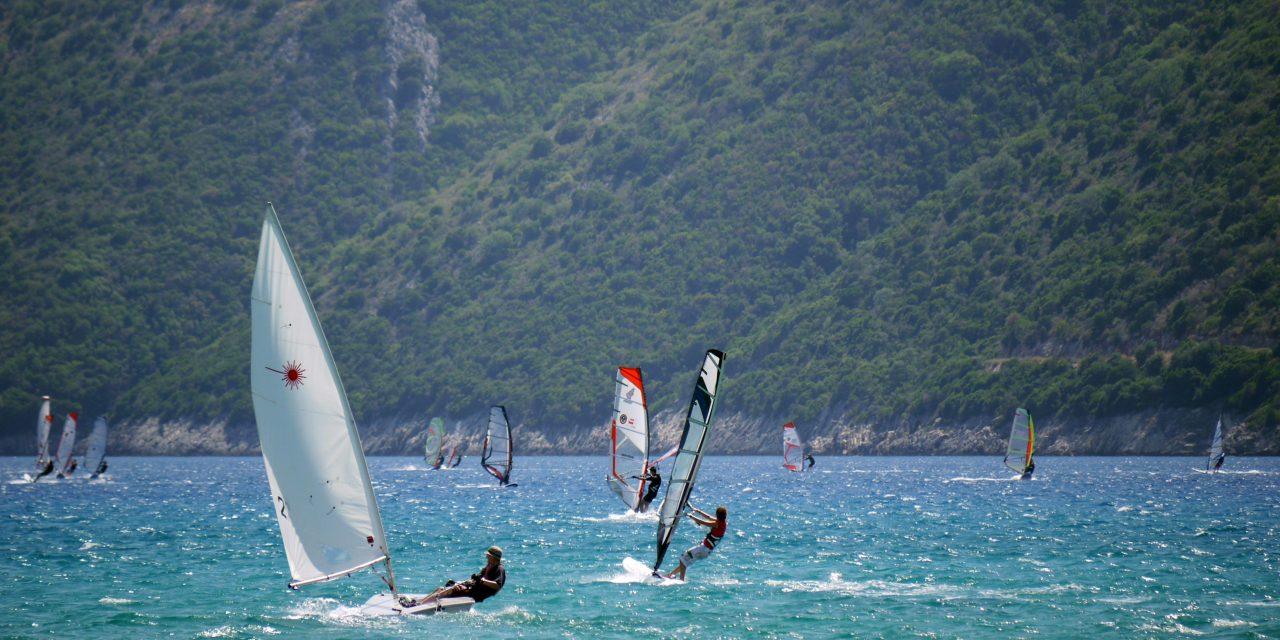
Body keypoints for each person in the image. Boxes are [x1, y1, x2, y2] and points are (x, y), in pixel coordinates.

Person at [399, 546, 506, 608]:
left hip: (477, 594)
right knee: (442, 588)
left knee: (450, 590)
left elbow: (497, 585)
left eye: (488, 555)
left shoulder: (499, 569)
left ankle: (419, 606)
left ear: (493, 557)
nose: (486, 556)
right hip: (472, 588)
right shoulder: (488, 566)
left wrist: (482, 581)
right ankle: (419, 602)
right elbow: (474, 580)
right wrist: (459, 582)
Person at [665, 505, 727, 581]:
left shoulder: (717, 524)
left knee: (683, 559)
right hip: (706, 550)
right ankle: (671, 575)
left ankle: (681, 580)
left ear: (717, 515)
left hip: (703, 548)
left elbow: (703, 522)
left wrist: (691, 516)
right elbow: (708, 517)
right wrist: (698, 511)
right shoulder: (723, 522)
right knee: (685, 561)